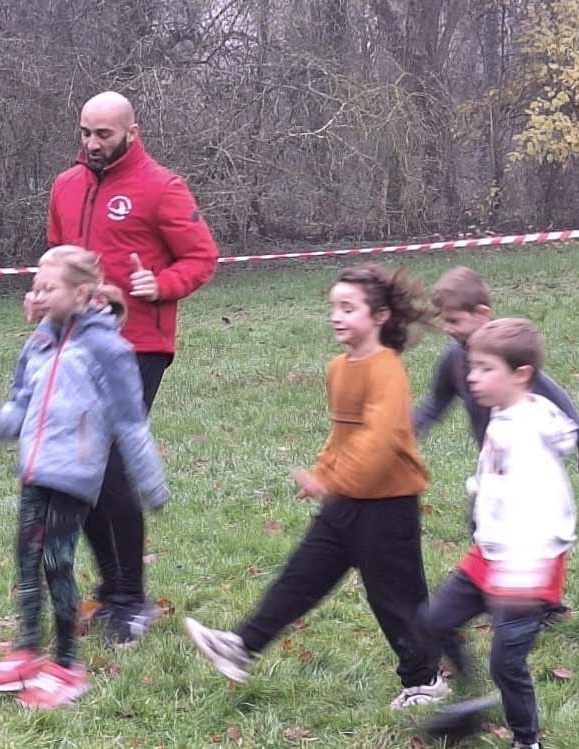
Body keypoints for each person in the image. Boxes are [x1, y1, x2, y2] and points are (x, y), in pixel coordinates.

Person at [183, 264, 448, 709]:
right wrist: (324, 474)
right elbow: (343, 435)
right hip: (345, 499)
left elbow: (379, 439)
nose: (336, 316)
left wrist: (334, 481)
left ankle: (426, 681)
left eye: (348, 308)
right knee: (301, 576)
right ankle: (242, 645)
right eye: (334, 307)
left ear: (380, 316)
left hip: (388, 504)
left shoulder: (387, 371)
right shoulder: (339, 368)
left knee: (394, 598)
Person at [46, 90, 219, 647]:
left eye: (104, 134)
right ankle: (113, 589)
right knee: (79, 467)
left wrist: (161, 284)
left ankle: (132, 599)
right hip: (76, 345)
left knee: (110, 464)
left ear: (130, 132)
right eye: (86, 133)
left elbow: (202, 257)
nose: (93, 144)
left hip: (139, 343)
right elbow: (57, 258)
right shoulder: (65, 186)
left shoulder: (162, 187)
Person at [0, 246, 169, 709]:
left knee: (57, 564)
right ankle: (27, 653)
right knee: (27, 559)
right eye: (36, 286)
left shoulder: (108, 349)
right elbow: (22, 404)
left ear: (80, 293)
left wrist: (151, 483)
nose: (36, 295)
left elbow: (131, 423)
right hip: (35, 470)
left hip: (75, 475)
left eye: (48, 287)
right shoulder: (38, 343)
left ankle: (67, 666)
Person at [415, 265, 579, 625]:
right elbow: (435, 403)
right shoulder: (452, 361)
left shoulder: (508, 357)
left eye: (454, 320)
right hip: (495, 461)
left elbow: (556, 394)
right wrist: (404, 432)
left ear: (482, 314)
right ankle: (502, 593)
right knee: (482, 524)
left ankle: (543, 602)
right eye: (443, 320)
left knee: (530, 530)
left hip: (530, 463)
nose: (447, 327)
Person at [422, 317, 578, 749]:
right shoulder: (503, 415)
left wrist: (521, 576)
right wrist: (478, 493)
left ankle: (527, 741)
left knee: (507, 663)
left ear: (520, 375)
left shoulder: (530, 432)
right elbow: (496, 470)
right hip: (491, 550)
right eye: (471, 366)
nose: (472, 377)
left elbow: (550, 509)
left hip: (528, 561)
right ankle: (473, 699)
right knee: (434, 621)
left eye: (485, 368)